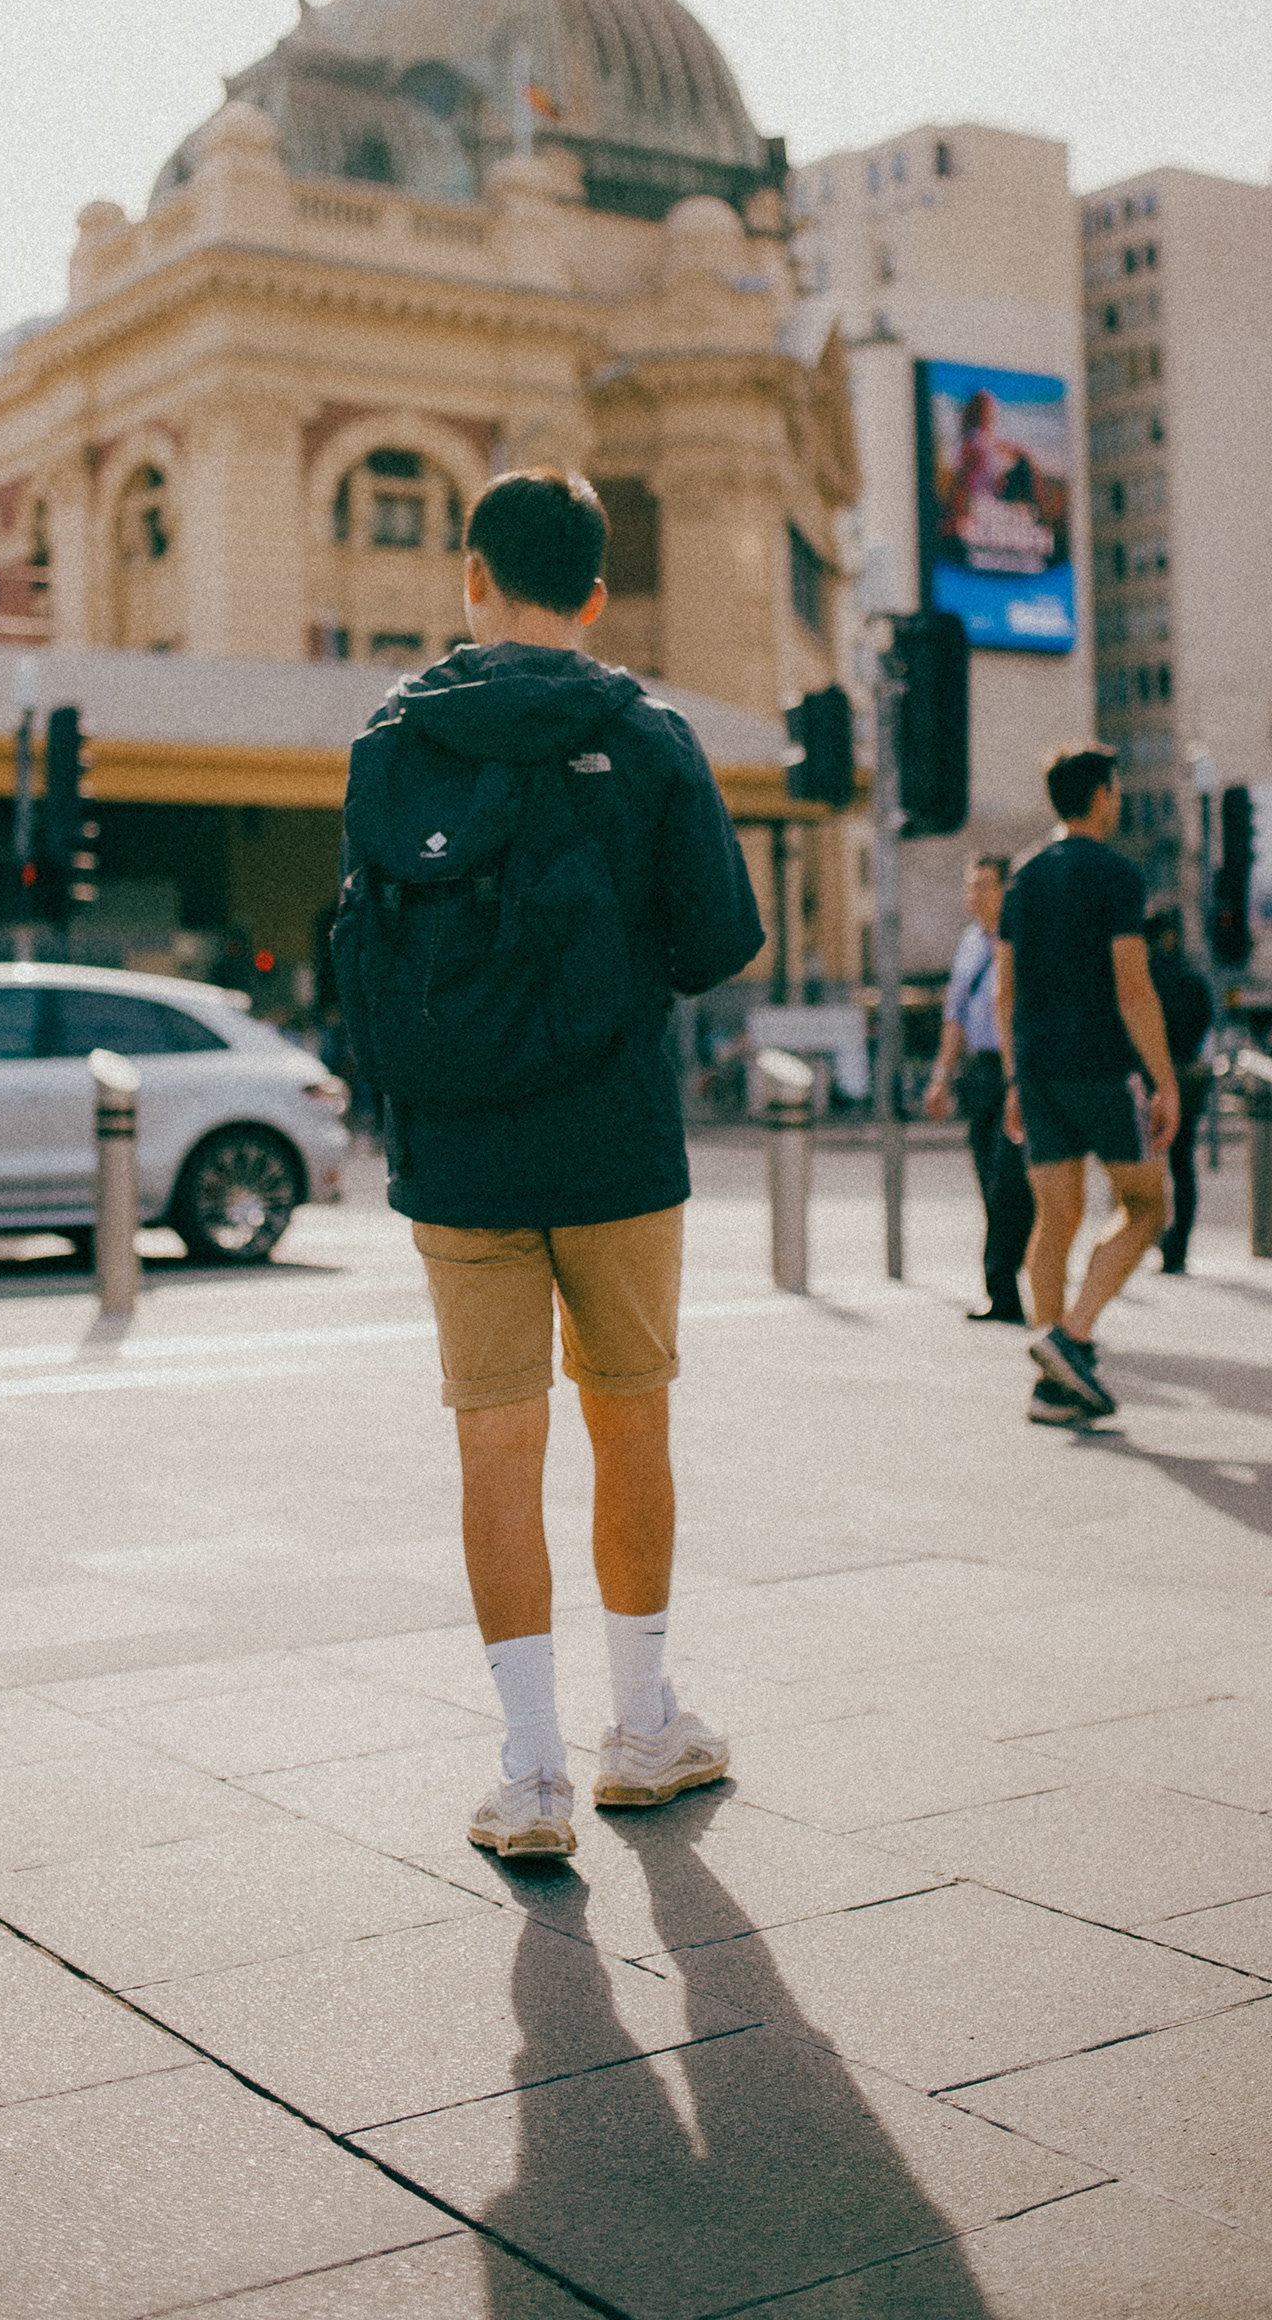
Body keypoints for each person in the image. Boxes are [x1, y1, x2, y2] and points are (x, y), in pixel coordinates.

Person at [334, 468, 764, 1860]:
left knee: (495, 1445)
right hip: (615, 1141)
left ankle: (529, 1775)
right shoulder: (649, 737)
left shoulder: (393, 741)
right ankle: (644, 1726)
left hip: (456, 1147)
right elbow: (717, 942)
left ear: (472, 576)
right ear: (595, 594)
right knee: (630, 1424)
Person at [995, 745, 1178, 1427]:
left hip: (1037, 1069)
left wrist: (1015, 1077)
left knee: (1056, 1219)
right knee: (1147, 1206)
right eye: (1117, 790)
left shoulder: (1022, 878)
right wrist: (1165, 1081)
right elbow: (1133, 988)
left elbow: (1005, 993)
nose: (1118, 799)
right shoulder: (1116, 875)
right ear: (1101, 795)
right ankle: (1072, 1338)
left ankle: (1052, 1385)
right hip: (1100, 1065)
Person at [924, 855, 1035, 1322]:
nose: (974, 895)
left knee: (1010, 1183)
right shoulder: (970, 942)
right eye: (970, 886)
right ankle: (1003, 1290)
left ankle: (1010, 1278)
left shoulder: (1026, 938)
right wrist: (941, 1077)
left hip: (1019, 1068)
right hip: (981, 1072)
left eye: (984, 885)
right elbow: (955, 1015)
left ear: (1007, 889)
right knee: (989, 1179)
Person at [1142, 907, 1214, 1275]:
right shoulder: (1192, 980)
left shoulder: (1142, 978)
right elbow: (1204, 1024)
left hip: (1145, 1078)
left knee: (1140, 1163)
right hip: (1186, 1076)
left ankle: (1144, 1235)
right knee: (1182, 1163)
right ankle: (1177, 1247)